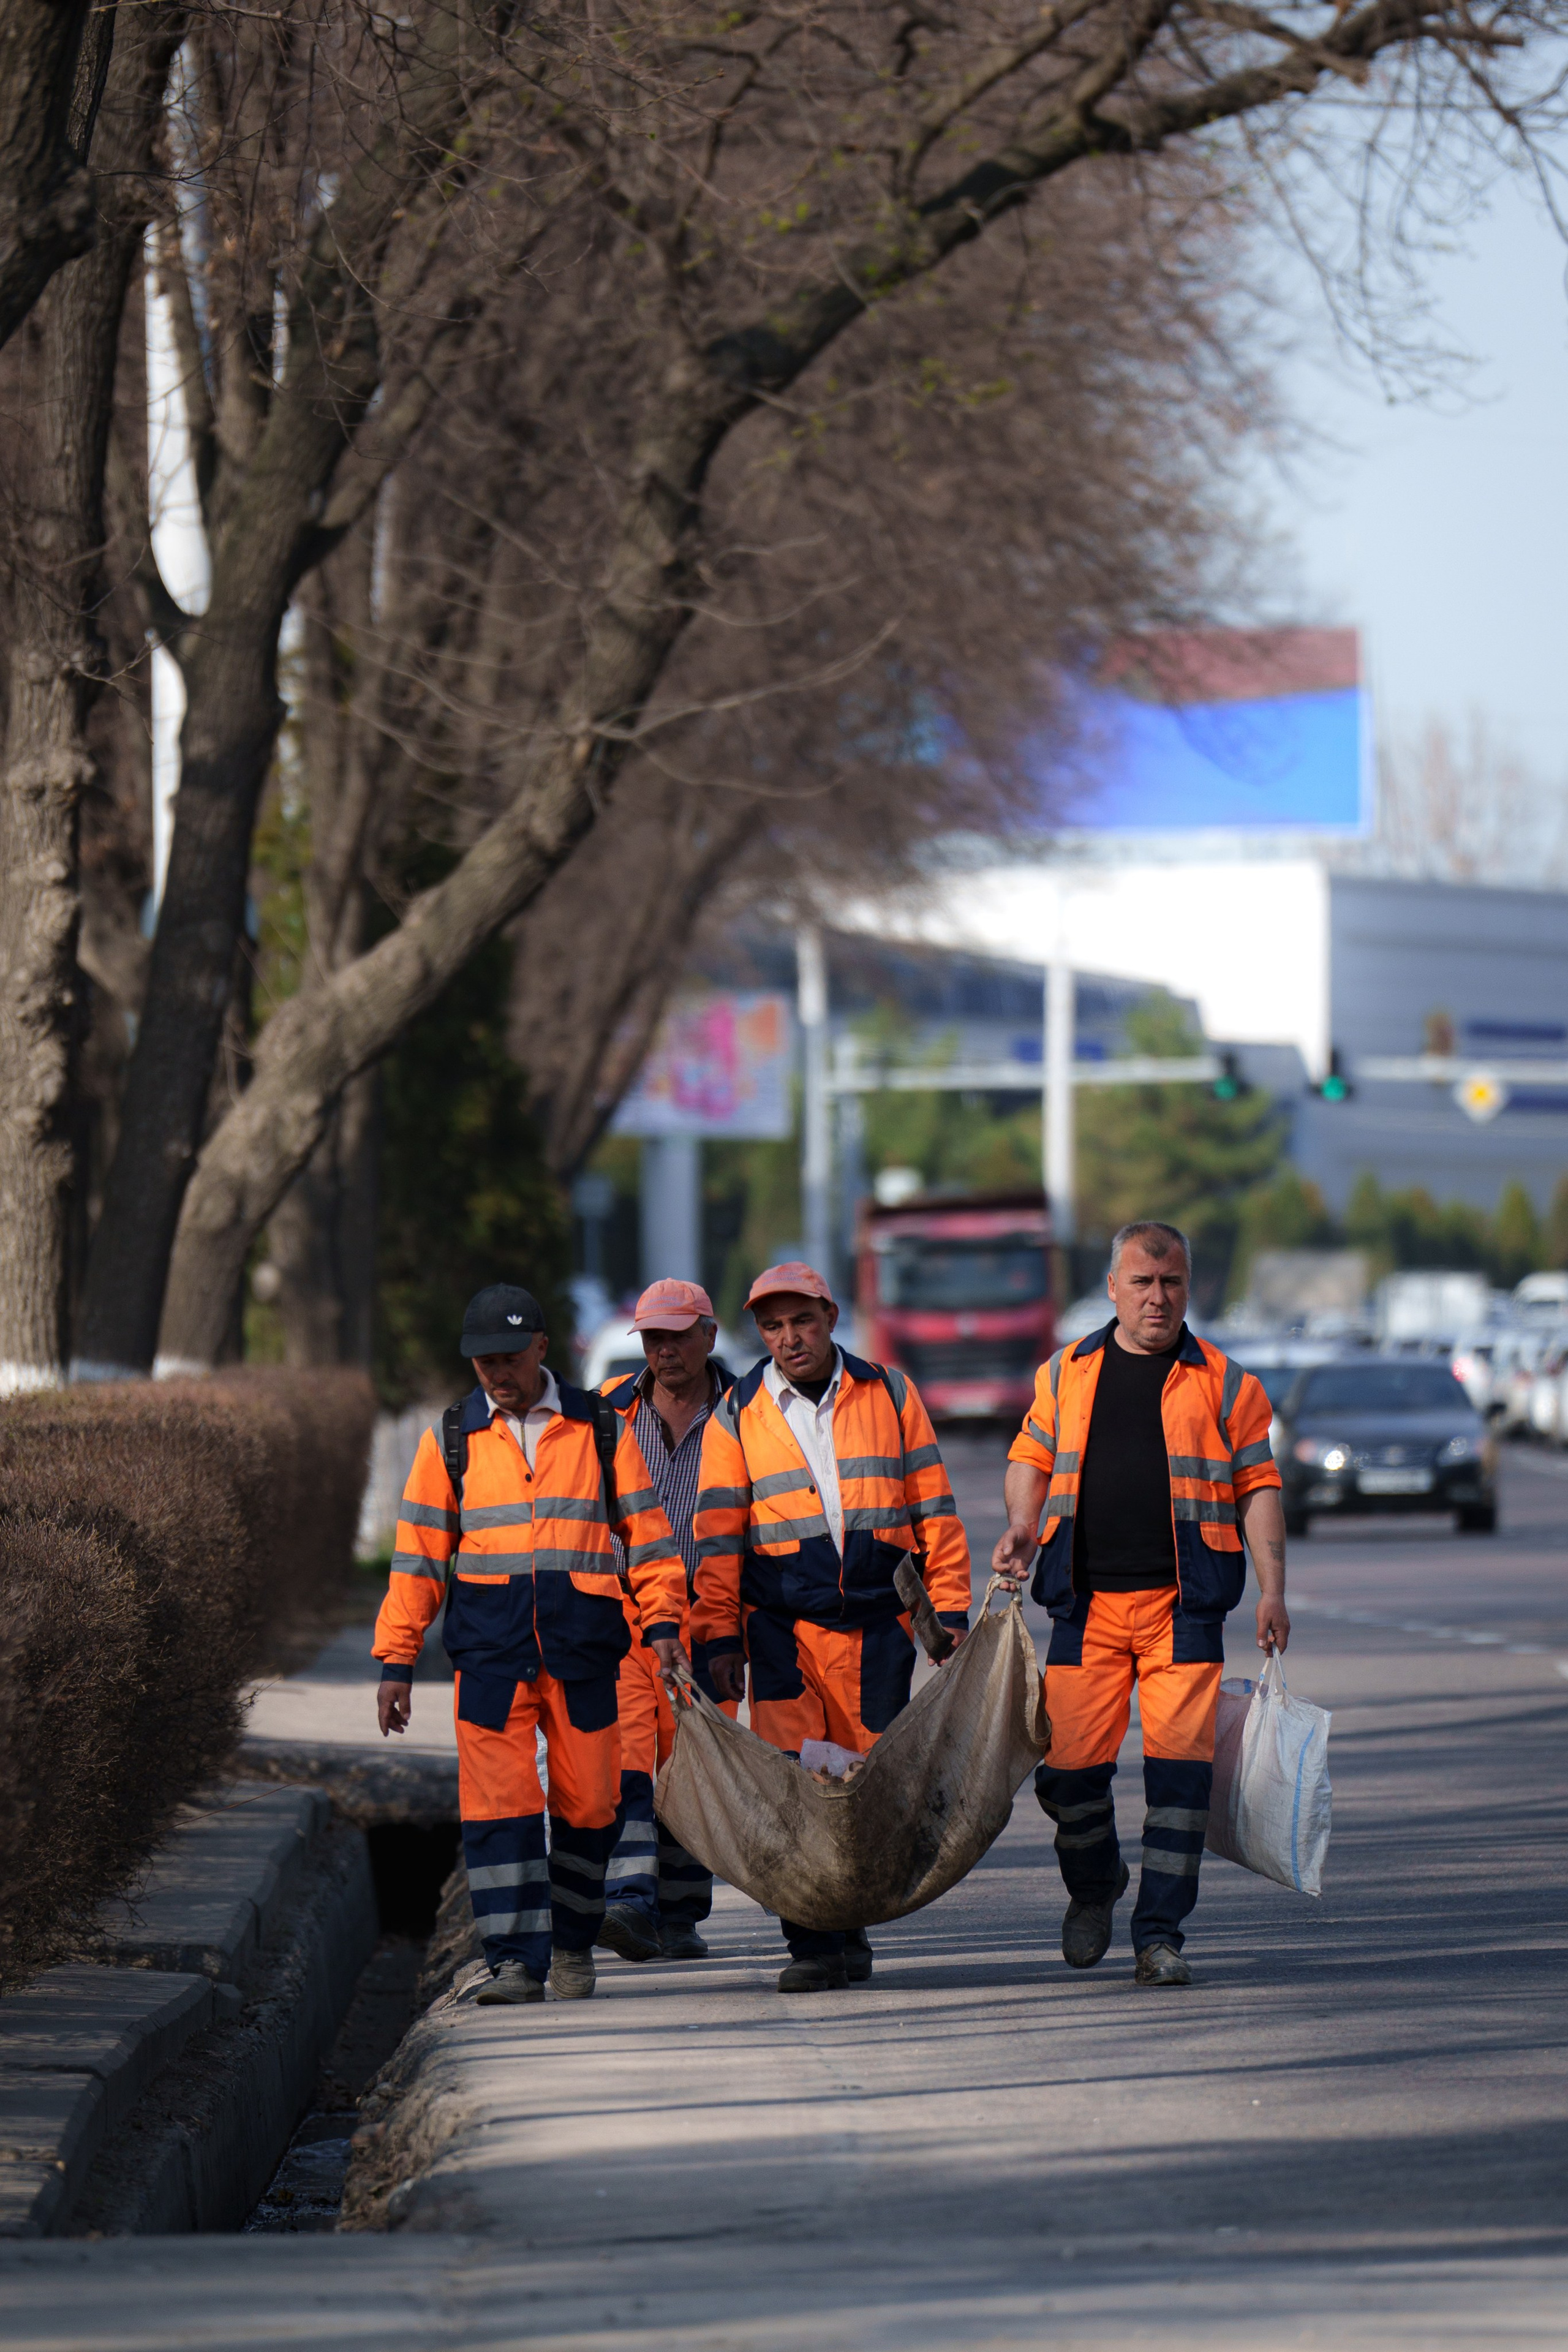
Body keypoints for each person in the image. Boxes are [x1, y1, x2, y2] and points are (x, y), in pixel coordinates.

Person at [992, 1221, 1288, 1987]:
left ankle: (1158, 1938)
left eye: (1171, 1283)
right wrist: (1022, 1525)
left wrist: (1273, 1590)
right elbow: (1029, 1455)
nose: (1158, 1298)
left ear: (1188, 1287)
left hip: (1184, 1611)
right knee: (1066, 1776)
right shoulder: (1066, 1373)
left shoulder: (1227, 1383)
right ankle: (1096, 1884)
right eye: (1142, 1283)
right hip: (1085, 1606)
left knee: (1178, 1787)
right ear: (1113, 1289)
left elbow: (1258, 1487)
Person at [374, 1283, 687, 2005]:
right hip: (489, 1657)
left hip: (583, 1653)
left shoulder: (599, 1429)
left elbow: (648, 1539)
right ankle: (514, 1962)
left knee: (593, 1807)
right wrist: (396, 1660)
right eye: (484, 1362)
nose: (497, 1374)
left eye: (510, 1359)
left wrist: (664, 1623)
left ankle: (573, 1941)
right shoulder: (451, 1439)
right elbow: (417, 1560)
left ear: (542, 1349)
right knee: (499, 1810)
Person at [693, 1262, 970, 1993]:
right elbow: (717, 1538)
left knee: (862, 1784)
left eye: (802, 1322)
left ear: (830, 1318)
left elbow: (934, 1507)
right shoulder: (737, 1413)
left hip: (878, 1630)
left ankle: (850, 1929)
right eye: (773, 1327)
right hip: (780, 1631)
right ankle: (812, 1942)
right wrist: (718, 1636)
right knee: (795, 1785)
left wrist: (948, 1610)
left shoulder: (891, 1394)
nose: (789, 1338)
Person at [596, 1278, 735, 1966]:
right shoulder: (607, 1412)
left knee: (693, 1769)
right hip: (625, 1620)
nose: (665, 1350)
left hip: (709, 1620)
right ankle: (629, 1902)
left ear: (709, 1335)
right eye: (653, 1337)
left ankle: (680, 1916)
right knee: (627, 1761)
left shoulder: (747, 1412)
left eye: (678, 1336)